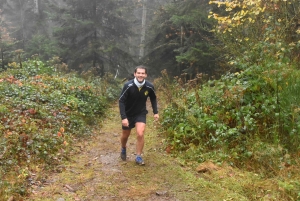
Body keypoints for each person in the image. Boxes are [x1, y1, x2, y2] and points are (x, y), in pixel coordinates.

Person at [119, 65, 159, 165]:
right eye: (139, 73)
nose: (140, 75)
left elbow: (153, 98)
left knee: (140, 133)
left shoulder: (149, 86)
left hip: (140, 113)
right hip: (128, 114)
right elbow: (121, 101)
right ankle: (123, 148)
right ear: (135, 74)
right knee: (125, 135)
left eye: (143, 73)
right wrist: (124, 117)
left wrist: (156, 112)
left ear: (146, 75)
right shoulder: (128, 85)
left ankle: (138, 156)